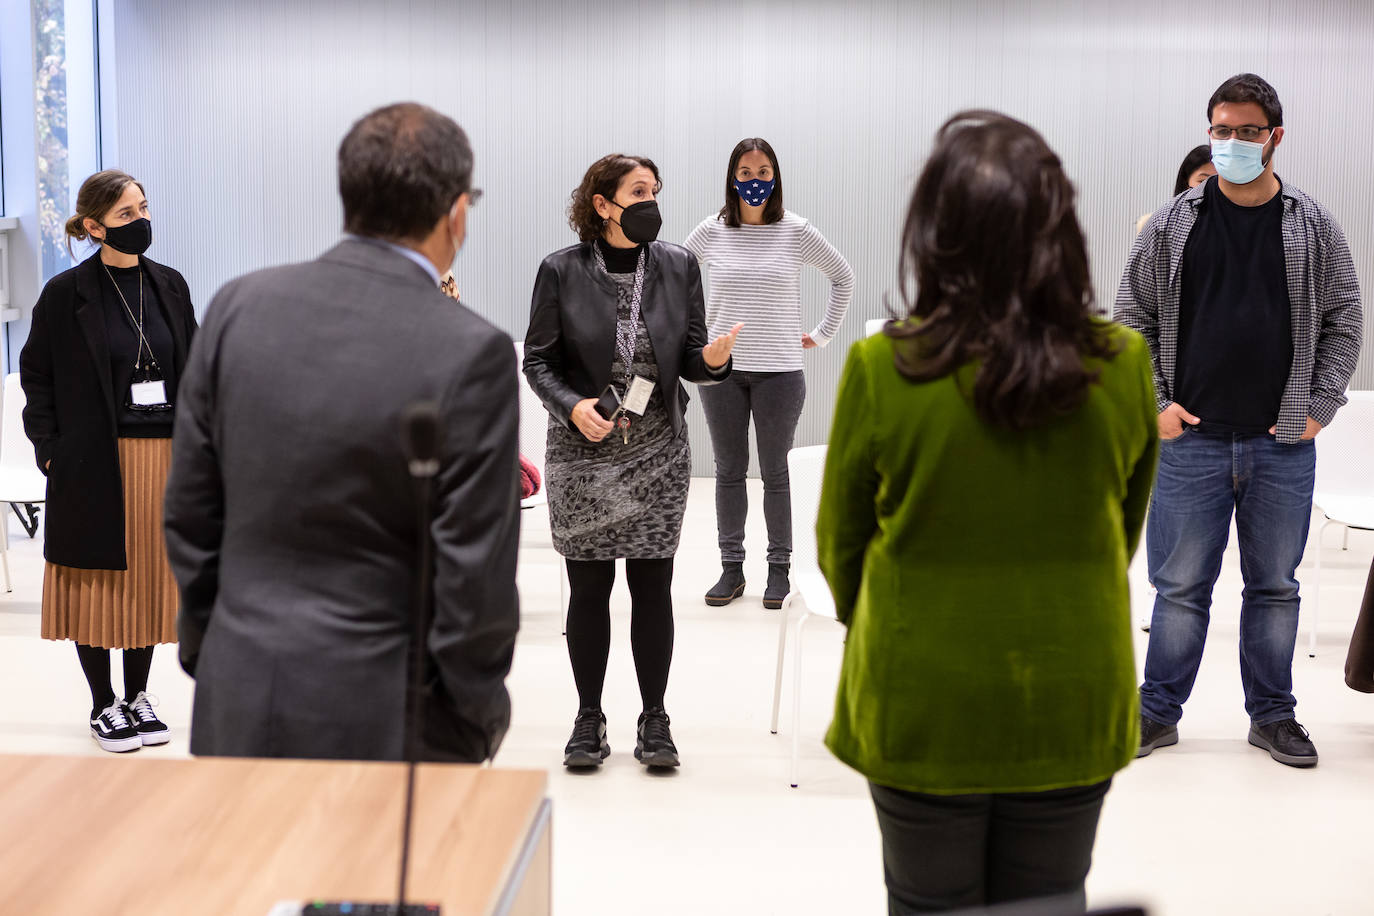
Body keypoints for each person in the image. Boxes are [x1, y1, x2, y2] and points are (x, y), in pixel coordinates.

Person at [818, 111, 1158, 914]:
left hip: (921, 696)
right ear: (1060, 229)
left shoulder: (883, 368)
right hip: (1072, 692)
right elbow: (1124, 530)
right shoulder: (1124, 366)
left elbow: (841, 546)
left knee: (926, 904)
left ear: (937, 233)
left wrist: (894, 621)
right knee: (1052, 899)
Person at [164, 102, 520, 762]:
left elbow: (190, 509)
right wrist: (471, 717)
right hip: (395, 720)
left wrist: (216, 652)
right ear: (457, 214)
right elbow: (476, 572)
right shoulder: (473, 350)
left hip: (237, 692)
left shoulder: (238, 307)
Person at [1117, 73, 1363, 768]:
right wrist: (1156, 404)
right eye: (1219, 130)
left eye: (1246, 131)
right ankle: (1156, 712)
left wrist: (1319, 407)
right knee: (1181, 586)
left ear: (1275, 137)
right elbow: (1129, 319)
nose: (1230, 143)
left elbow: (1346, 321)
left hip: (1281, 441)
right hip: (1190, 439)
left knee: (1275, 588)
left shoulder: (1312, 226)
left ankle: (1273, 717)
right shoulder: (1172, 224)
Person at [524, 154, 740, 770]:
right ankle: (588, 718)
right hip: (582, 448)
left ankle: (655, 717)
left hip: (658, 453)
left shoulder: (677, 265)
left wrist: (716, 359)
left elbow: (692, 358)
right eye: (638, 191)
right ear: (603, 204)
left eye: (655, 191)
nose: (651, 201)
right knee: (589, 588)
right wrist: (571, 407)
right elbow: (538, 362)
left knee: (652, 586)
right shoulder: (560, 271)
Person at [20, 169, 198, 753]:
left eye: (143, 208)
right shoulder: (65, 293)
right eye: (126, 215)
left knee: (149, 578)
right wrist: (49, 450)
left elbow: (194, 369)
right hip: (94, 459)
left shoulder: (169, 285)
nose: (140, 221)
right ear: (94, 227)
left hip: (163, 458)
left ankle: (138, 696)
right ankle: (103, 704)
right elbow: (38, 377)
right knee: (97, 579)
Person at [684, 138, 853, 609]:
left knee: (776, 473)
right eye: (745, 172)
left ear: (775, 177)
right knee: (729, 472)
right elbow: (671, 276)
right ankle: (731, 569)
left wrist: (821, 334)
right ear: (731, 177)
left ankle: (779, 569)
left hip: (780, 371)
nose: (754, 181)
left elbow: (843, 276)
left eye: (762, 172)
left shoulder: (794, 230)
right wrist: (694, 340)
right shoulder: (712, 230)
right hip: (722, 373)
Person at [1134, 145, 1216, 234]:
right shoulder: (1160, 224)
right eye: (1202, 181)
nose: (1211, 186)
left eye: (1217, 181)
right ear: (1186, 182)